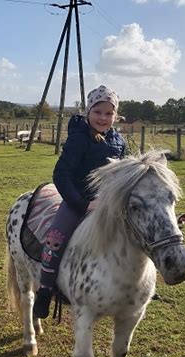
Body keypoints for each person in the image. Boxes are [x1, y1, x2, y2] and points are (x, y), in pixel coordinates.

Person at [32, 85, 126, 319]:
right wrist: (83, 204)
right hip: (79, 201)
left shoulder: (119, 141)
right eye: (98, 112)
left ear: (115, 115)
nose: (103, 118)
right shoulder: (78, 139)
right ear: (88, 112)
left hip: (109, 204)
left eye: (109, 113)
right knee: (55, 238)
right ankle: (45, 289)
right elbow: (61, 175)